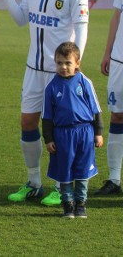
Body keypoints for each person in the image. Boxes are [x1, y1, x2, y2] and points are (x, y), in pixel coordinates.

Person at [0, 0, 89, 206]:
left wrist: (73, 70)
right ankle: (34, 182)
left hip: (59, 73)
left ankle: (61, 186)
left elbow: (80, 34)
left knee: (60, 131)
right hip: (32, 69)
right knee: (27, 122)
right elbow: (21, 19)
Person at [42, 42, 103, 218]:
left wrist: (98, 133)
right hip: (62, 135)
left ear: (77, 63)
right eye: (59, 63)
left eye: (68, 63)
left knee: (83, 170)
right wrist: (49, 139)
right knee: (65, 170)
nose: (63, 67)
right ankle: (67, 205)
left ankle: (81, 204)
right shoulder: (51, 87)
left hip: (84, 132)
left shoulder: (85, 82)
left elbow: (96, 110)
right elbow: (47, 116)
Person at [95, 0, 123, 195]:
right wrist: (108, 51)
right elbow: (117, 15)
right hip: (119, 59)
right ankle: (114, 179)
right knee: (117, 115)